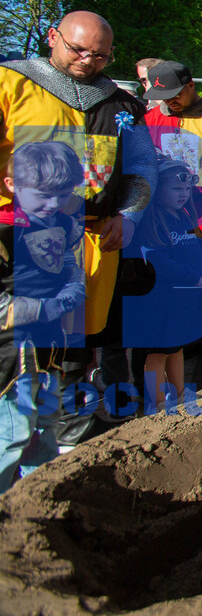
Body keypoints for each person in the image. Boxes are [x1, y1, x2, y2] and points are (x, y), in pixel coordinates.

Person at [0, 11, 153, 442]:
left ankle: (68, 436)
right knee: (22, 344)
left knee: (79, 346)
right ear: (53, 37)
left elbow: (142, 166)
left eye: (101, 56)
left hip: (93, 239)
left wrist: (130, 214)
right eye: (78, 49)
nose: (89, 60)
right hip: (20, 241)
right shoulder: (10, 84)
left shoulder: (123, 103)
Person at [0, 142, 85, 492]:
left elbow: (64, 259)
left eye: (63, 195)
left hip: (50, 344)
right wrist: (43, 307)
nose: (53, 204)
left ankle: (38, 497)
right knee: (14, 432)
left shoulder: (63, 222)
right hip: (10, 350)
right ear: (11, 186)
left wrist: (74, 284)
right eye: (44, 195)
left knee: (46, 426)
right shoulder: (5, 231)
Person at [134, 159, 202, 407]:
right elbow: (160, 263)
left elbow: (198, 251)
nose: (183, 194)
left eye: (186, 190)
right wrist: (197, 279)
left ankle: (180, 393)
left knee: (176, 347)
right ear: (157, 190)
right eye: (176, 189)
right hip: (161, 301)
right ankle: (157, 402)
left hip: (186, 299)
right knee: (158, 352)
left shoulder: (185, 217)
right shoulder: (150, 222)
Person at [143, 61, 202, 170]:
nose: (170, 102)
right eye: (165, 97)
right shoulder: (151, 118)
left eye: (176, 95)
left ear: (191, 85)